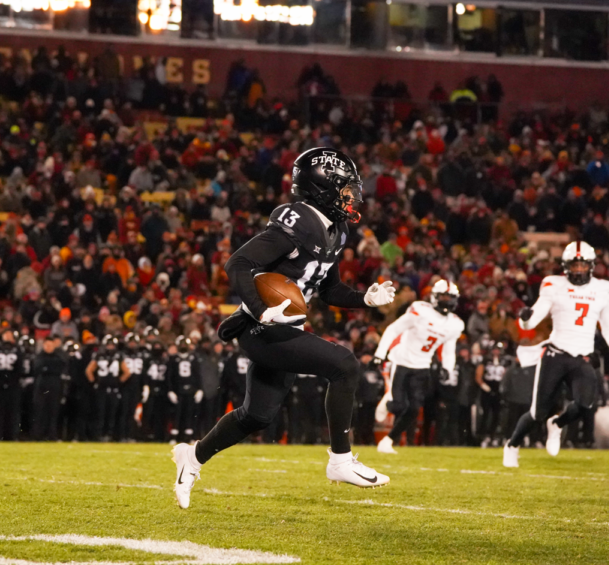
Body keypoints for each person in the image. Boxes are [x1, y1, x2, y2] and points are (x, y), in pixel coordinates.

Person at [171, 148, 395, 510]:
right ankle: (340, 460)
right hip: (264, 329)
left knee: (256, 415)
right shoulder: (300, 220)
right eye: (345, 190)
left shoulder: (335, 230)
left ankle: (192, 458)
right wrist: (261, 310)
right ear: (323, 188)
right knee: (345, 364)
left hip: (284, 328)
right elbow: (238, 262)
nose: (352, 198)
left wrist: (364, 300)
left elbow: (329, 289)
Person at [504, 242, 609, 467]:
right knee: (537, 412)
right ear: (566, 266)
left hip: (581, 358)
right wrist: (525, 317)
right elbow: (533, 319)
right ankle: (512, 445)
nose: (578, 270)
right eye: (574, 265)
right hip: (555, 355)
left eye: (582, 265)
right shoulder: (554, 285)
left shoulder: (602, 289)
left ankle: (558, 424)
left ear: (591, 266)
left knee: (585, 404)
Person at [373, 280, 465, 454]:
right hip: (401, 361)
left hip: (423, 365)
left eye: (450, 297)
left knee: (414, 409)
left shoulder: (455, 323)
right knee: (399, 405)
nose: (447, 300)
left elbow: (449, 349)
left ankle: (388, 440)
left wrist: (448, 368)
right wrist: (380, 353)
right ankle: (388, 401)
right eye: (444, 296)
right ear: (435, 297)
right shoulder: (420, 311)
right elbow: (393, 329)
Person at [85, 334, 128, 441]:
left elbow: (127, 372)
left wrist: (118, 382)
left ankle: (109, 434)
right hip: (101, 388)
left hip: (113, 388)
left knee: (112, 412)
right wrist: (94, 382)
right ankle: (99, 434)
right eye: (108, 345)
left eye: (112, 345)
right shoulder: (99, 355)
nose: (110, 347)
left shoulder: (118, 356)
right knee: (100, 412)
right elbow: (89, 370)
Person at [475, 342, 512, 448]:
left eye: (498, 350)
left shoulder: (505, 362)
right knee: (486, 413)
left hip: (499, 390)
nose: (496, 352)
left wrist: (503, 388)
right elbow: (478, 375)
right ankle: (484, 436)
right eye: (494, 349)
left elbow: (506, 375)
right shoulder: (485, 360)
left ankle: (494, 435)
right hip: (487, 390)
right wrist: (484, 386)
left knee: (497, 415)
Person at [167, 335, 203, 444]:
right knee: (176, 414)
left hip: (191, 390)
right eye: (181, 344)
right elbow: (169, 376)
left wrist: (199, 389)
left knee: (190, 413)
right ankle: (174, 437)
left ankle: (189, 436)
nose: (183, 346)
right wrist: (170, 390)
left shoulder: (194, 358)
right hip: (178, 391)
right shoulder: (173, 359)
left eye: (184, 344)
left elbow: (198, 375)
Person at [0, 329, 25, 441]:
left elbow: (20, 368)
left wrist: (11, 381)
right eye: (6, 334)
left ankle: (12, 435)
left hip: (13, 385)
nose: (8, 337)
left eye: (10, 335)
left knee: (13, 411)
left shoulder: (18, 350)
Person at [32, 335, 67, 441]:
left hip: (54, 387)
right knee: (39, 411)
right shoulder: (39, 356)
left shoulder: (58, 357)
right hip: (41, 387)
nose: (48, 347)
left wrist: (46, 368)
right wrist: (49, 368)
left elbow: (60, 367)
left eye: (50, 345)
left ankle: (52, 435)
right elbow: (37, 368)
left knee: (53, 412)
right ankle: (38, 435)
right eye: (46, 345)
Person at [140, 338, 170, 442]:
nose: (157, 349)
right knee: (148, 413)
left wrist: (169, 389)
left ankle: (159, 435)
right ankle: (145, 435)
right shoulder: (148, 360)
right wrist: (145, 386)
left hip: (162, 390)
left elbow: (169, 376)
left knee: (160, 414)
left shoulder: (165, 360)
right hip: (151, 389)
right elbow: (143, 374)